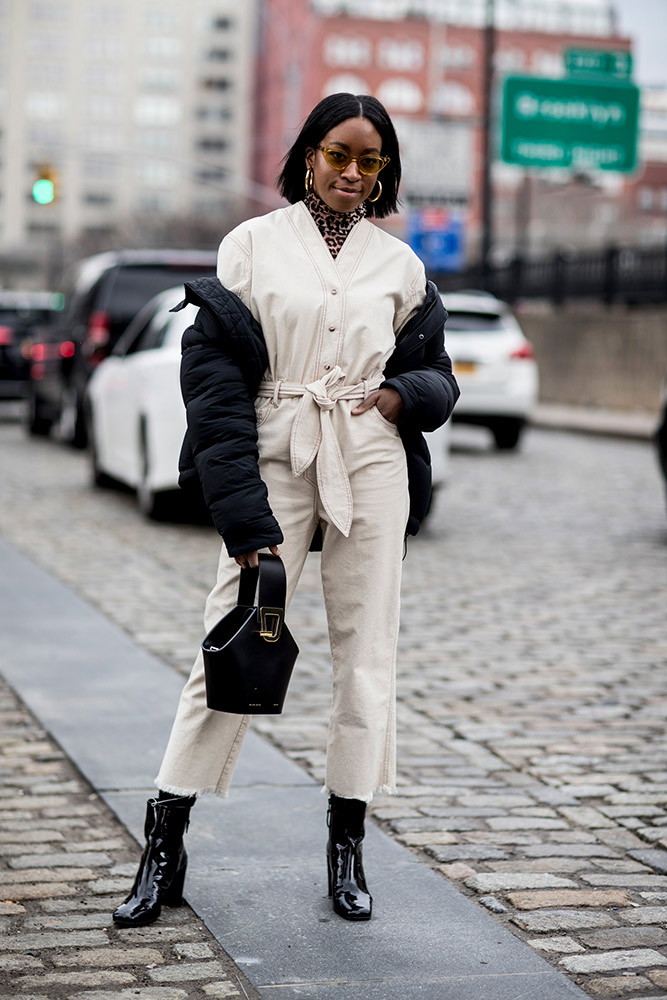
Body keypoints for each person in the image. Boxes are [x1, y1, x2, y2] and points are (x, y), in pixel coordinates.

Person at [112, 92, 459, 928]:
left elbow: (439, 376)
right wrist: (245, 522)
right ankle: (165, 840)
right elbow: (213, 387)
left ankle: (346, 848)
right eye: (337, 154)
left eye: (368, 161)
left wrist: (396, 395)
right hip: (277, 449)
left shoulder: (399, 266)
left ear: (384, 172)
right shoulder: (252, 248)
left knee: (366, 656)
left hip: (369, 458)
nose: (350, 173)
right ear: (307, 154)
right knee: (229, 645)